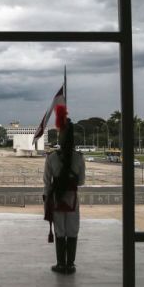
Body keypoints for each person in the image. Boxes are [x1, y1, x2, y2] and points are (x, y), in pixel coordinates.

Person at [44, 105, 86, 274]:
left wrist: (47, 197)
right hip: (73, 199)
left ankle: (61, 264)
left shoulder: (52, 157)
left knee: (60, 231)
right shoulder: (79, 158)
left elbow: (47, 182)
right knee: (73, 230)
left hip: (57, 199)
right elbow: (81, 181)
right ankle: (71, 264)